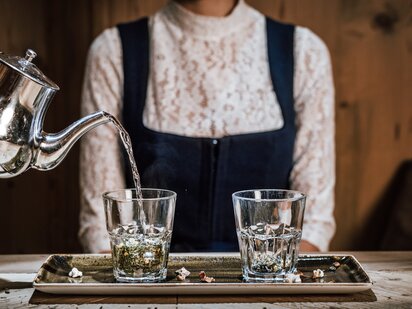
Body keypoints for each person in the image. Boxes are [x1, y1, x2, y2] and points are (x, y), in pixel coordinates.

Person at [79, 0, 335, 253]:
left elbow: (313, 223)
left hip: (269, 283)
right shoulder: (114, 51)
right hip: (149, 283)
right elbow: (102, 228)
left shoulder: (303, 51)